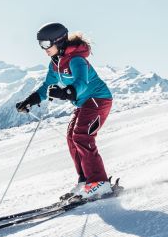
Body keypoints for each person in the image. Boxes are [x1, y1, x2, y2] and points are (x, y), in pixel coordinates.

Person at [15, 23, 116, 201]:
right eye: (41, 45)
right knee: (71, 137)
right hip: (83, 102)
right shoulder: (56, 64)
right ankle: (85, 180)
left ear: (59, 41)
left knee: (82, 136)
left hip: (98, 99)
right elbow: (46, 86)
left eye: (47, 44)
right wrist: (31, 99)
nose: (44, 49)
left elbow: (81, 82)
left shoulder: (76, 60)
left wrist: (66, 92)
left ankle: (99, 182)